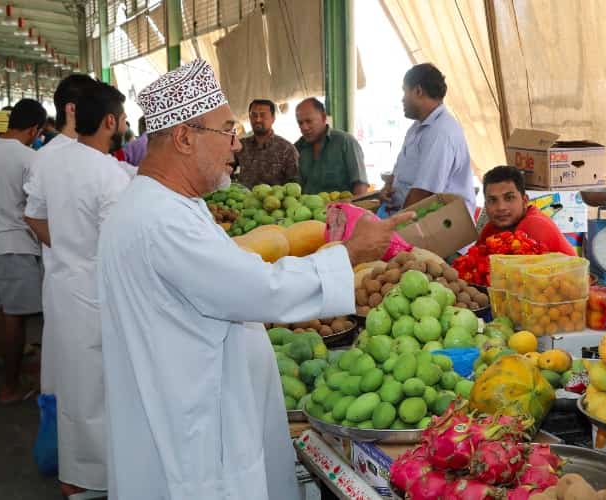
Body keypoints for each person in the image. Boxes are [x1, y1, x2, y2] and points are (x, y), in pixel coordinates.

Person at [97, 59, 413, 500]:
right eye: (227, 130)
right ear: (185, 138)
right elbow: (259, 288)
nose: (238, 145)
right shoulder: (161, 219)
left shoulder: (167, 205)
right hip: (195, 430)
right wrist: (351, 253)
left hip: (191, 408)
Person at [24, 80, 131, 498]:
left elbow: (33, 216)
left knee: (73, 389)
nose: (123, 125)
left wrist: (69, 245)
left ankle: (73, 475)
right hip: (97, 294)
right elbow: (120, 249)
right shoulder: (109, 173)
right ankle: (92, 484)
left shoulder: (51, 161)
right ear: (109, 121)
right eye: (122, 119)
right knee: (100, 392)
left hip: (64, 287)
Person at [24, 73, 100, 398]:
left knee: (87, 376)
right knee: (76, 376)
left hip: (85, 279)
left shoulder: (89, 152)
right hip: (71, 280)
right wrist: (74, 249)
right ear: (72, 110)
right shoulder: (52, 156)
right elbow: (33, 216)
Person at [0, 98, 46, 404]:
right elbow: (35, 209)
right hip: (13, 244)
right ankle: (9, 388)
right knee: (15, 317)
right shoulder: (29, 158)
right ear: (35, 129)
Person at [381, 63, 476, 216]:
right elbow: (399, 171)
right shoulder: (417, 127)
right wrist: (389, 187)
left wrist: (393, 228)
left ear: (418, 91)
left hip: (440, 228)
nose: (402, 99)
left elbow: (423, 193)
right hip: (410, 217)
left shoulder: (441, 132)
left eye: (405, 92)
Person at [478, 166, 576, 256]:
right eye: (492, 200)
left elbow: (514, 273)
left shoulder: (534, 225)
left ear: (524, 201)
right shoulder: (491, 228)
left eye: (509, 198)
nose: (500, 207)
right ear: (486, 205)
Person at [295, 97, 368, 195]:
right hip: (306, 210)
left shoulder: (345, 142)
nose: (304, 127)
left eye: (309, 121)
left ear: (324, 118)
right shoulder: (298, 148)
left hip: (341, 209)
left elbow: (360, 185)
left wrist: (354, 209)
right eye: (300, 123)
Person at [233, 98, 300, 187]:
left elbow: (295, 183)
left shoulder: (286, 149)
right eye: (254, 115)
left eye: (263, 115)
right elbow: (225, 169)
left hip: (273, 200)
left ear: (273, 118)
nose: (258, 119)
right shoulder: (242, 145)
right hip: (244, 200)